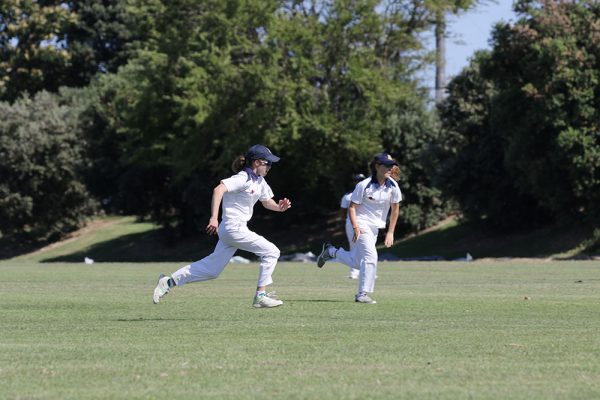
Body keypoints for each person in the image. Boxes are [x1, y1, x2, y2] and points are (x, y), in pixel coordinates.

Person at [153, 144, 292, 308]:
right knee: (272, 251)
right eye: (267, 163)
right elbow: (218, 190)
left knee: (212, 270)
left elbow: (267, 201)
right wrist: (213, 218)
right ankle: (260, 296)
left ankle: (168, 282)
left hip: (233, 231)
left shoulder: (260, 182)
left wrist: (279, 207)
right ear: (256, 163)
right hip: (233, 228)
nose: (270, 166)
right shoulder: (242, 178)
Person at [316, 153, 402, 304]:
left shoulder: (393, 186)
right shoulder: (364, 185)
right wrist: (356, 227)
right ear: (377, 167)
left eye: (391, 165)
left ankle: (331, 252)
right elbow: (352, 207)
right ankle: (362, 294)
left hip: (375, 228)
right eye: (386, 165)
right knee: (371, 257)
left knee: (358, 263)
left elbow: (395, 210)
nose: (390, 168)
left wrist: (390, 232)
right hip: (359, 223)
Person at [340, 173, 366, 279]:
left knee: (366, 247)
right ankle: (353, 273)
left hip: (366, 223)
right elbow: (342, 212)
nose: (359, 182)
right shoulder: (348, 196)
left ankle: (366, 272)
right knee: (354, 247)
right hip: (351, 224)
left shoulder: (368, 194)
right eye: (357, 180)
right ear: (354, 182)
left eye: (361, 180)